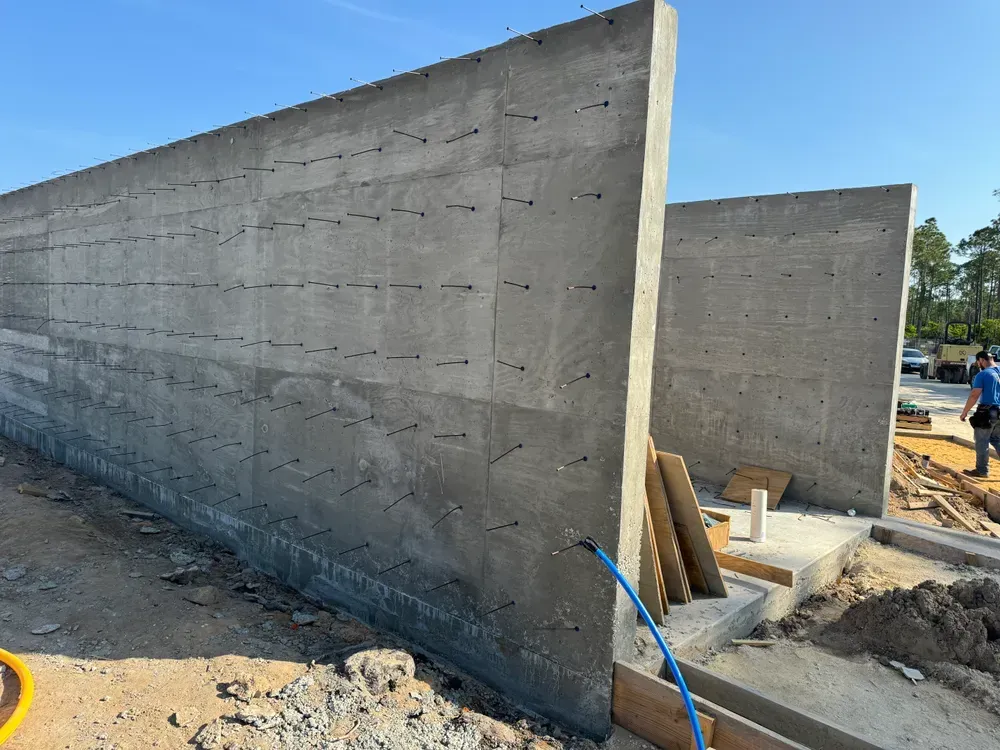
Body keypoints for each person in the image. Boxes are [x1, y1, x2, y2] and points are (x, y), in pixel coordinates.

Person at [960, 351, 1000, 477]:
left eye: (978, 362)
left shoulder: (982, 374)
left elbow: (974, 395)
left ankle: (982, 470)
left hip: (987, 412)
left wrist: (964, 412)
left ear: (981, 360)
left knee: (982, 440)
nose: (978, 365)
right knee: (996, 439)